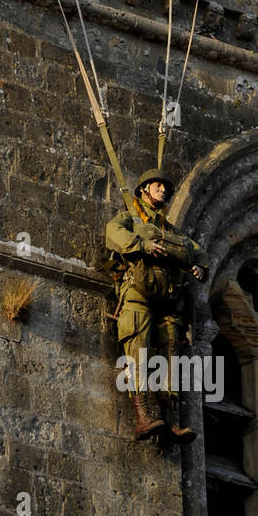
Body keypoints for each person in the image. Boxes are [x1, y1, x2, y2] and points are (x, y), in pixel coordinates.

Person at [105, 168, 209, 443]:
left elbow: (198, 252)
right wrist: (143, 245)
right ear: (144, 189)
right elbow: (113, 232)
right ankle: (143, 416)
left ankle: (171, 419)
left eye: (165, 188)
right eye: (157, 186)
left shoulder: (171, 231)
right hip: (138, 295)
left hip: (169, 301)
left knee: (171, 353)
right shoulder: (131, 219)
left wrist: (199, 267)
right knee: (137, 349)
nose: (163, 191)